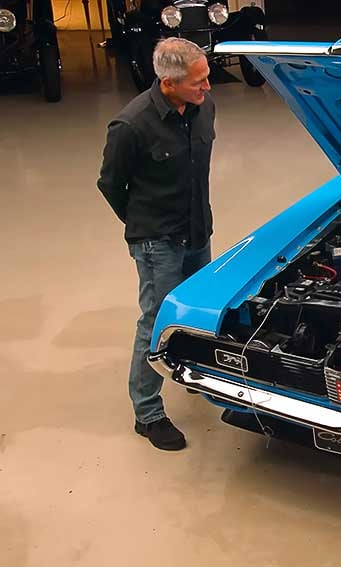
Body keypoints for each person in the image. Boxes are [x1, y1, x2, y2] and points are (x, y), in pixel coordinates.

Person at [97, 38, 215, 451]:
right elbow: (110, 184)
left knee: (198, 311)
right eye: (199, 81)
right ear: (168, 82)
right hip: (158, 242)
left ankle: (194, 375)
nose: (208, 87)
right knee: (156, 321)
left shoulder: (203, 108)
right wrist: (144, 226)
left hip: (198, 231)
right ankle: (147, 413)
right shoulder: (131, 125)